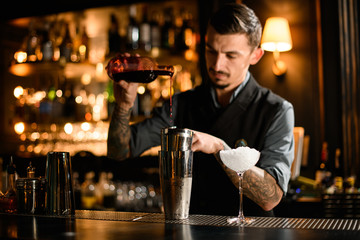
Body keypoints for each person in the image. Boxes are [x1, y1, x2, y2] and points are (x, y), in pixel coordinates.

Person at [107, 3, 294, 217]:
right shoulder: (181, 104)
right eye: (211, 51)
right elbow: (119, 152)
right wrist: (123, 106)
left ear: (255, 56)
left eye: (231, 55)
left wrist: (219, 148)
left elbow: (270, 198)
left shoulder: (276, 110)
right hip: (192, 232)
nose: (217, 64)